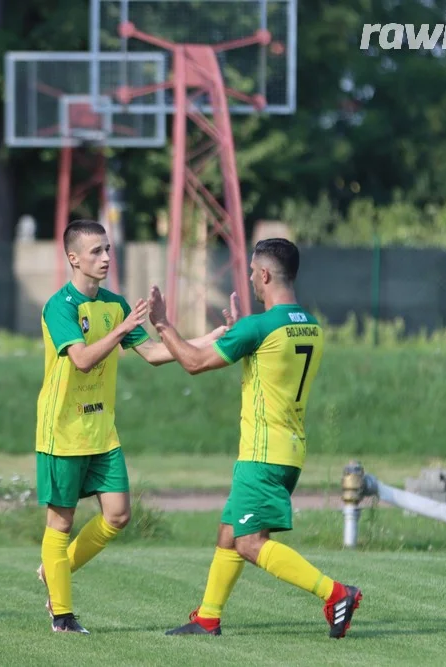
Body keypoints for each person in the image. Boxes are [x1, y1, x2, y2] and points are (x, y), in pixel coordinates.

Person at [149, 237, 363, 640]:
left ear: (264, 274)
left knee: (248, 542)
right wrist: (239, 335)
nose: (249, 277)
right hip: (291, 451)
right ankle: (207, 618)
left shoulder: (259, 327)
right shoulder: (311, 327)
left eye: (251, 271)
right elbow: (269, 355)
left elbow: (194, 362)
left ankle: (336, 594)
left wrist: (162, 324)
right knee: (229, 531)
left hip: (262, 454)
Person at [35, 219, 229, 634]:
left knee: (118, 516)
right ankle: (63, 616)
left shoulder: (115, 303)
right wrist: (123, 329)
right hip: (62, 432)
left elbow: (157, 354)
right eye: (96, 252)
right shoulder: (61, 307)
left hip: (101, 431)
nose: (106, 257)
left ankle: (56, 571)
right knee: (61, 523)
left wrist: (212, 338)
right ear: (74, 258)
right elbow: (83, 359)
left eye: (108, 250)